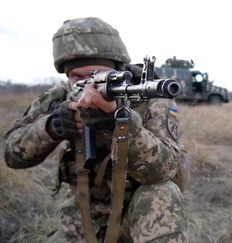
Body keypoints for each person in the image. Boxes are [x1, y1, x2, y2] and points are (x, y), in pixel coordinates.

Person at [2, 17, 188, 242]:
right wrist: (52, 127)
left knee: (163, 193)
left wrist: (120, 125)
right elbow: (12, 155)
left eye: (96, 75)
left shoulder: (151, 101)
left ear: (118, 70)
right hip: (80, 222)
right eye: (77, 78)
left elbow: (164, 171)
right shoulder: (59, 97)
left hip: (136, 220)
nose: (88, 85)